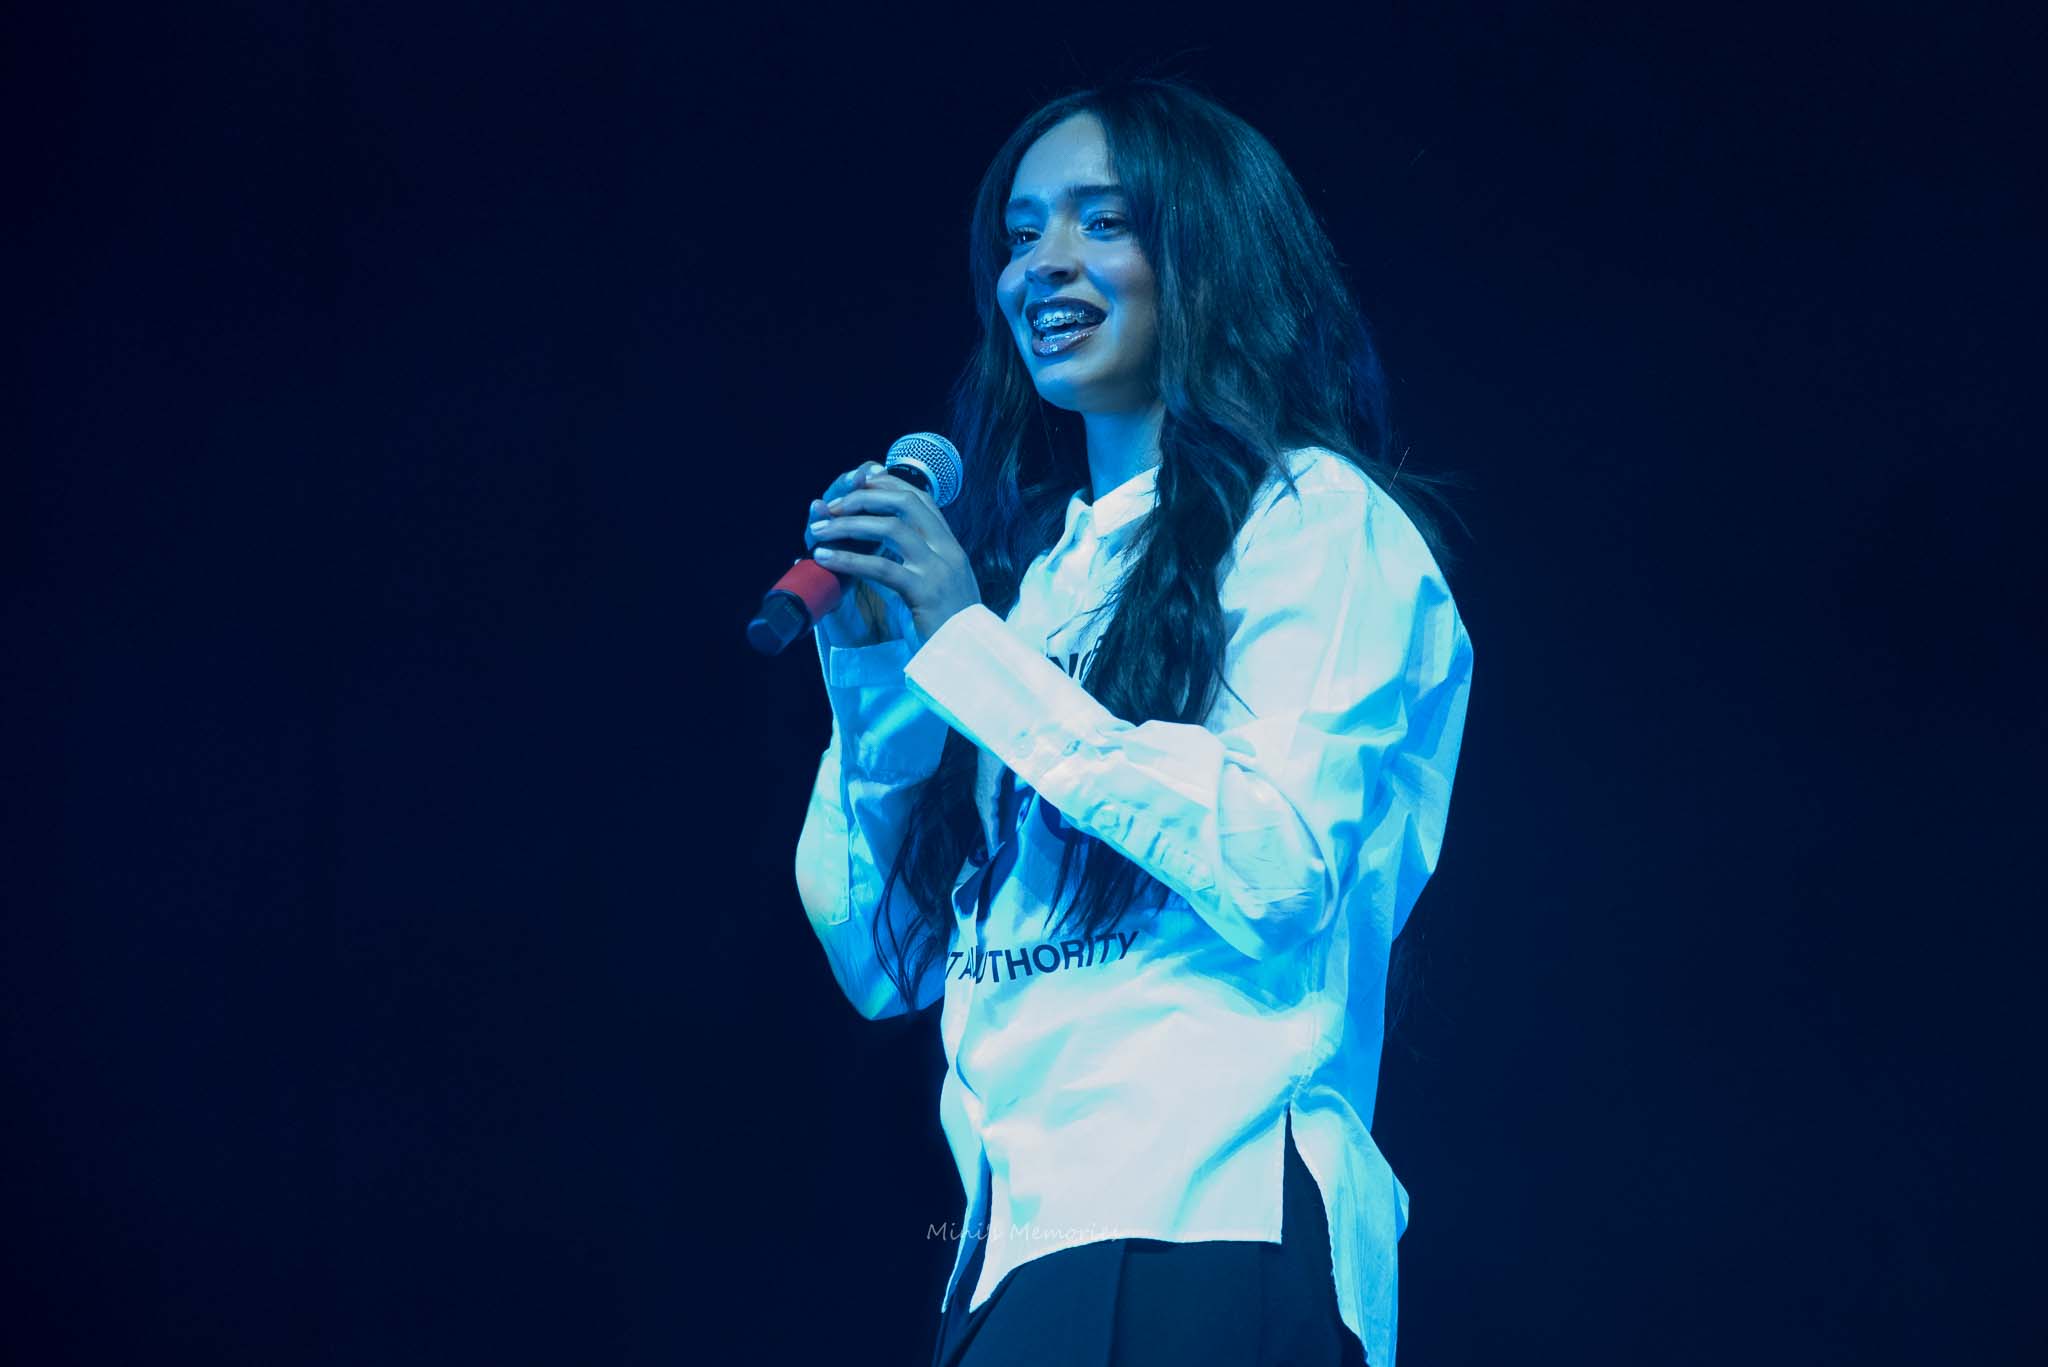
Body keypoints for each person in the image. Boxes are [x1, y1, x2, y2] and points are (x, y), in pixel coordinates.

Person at [793, 75, 1473, 1367]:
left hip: (1210, 1224)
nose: (1042, 264)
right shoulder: (1033, 589)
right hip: (1010, 1258)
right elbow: (887, 963)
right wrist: (886, 677)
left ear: (1208, 253)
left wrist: (975, 654)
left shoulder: (1317, 521)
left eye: (1102, 222)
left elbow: (1278, 866)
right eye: (1021, 233)